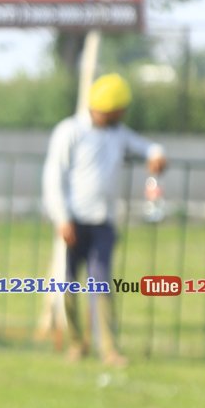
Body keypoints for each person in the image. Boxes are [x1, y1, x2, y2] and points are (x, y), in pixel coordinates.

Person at [42, 73, 167, 368]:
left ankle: (109, 349)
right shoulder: (70, 131)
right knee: (68, 285)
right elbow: (54, 177)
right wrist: (62, 218)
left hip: (103, 223)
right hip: (73, 222)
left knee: (101, 285)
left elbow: (147, 147)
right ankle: (76, 343)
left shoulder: (117, 133)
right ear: (111, 109)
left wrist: (157, 155)